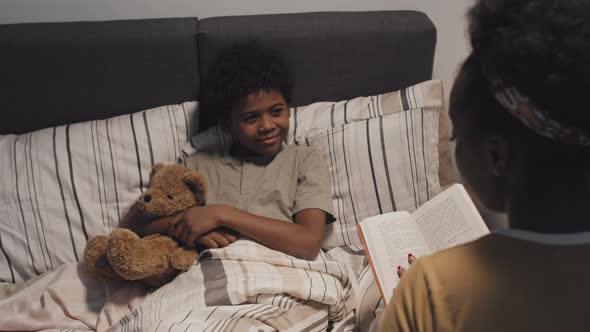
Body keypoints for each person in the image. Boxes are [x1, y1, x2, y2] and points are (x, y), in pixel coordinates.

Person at [380, 0, 590, 331]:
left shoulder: (431, 291)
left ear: (496, 157)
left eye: (457, 137)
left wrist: (431, 293)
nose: (455, 150)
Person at [121, 42, 335, 260]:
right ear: (226, 124)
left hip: (285, 272)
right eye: (250, 117)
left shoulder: (304, 159)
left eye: (276, 111)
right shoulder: (196, 166)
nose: (267, 125)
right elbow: (133, 225)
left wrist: (222, 214)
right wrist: (191, 225)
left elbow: (308, 244)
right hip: (216, 275)